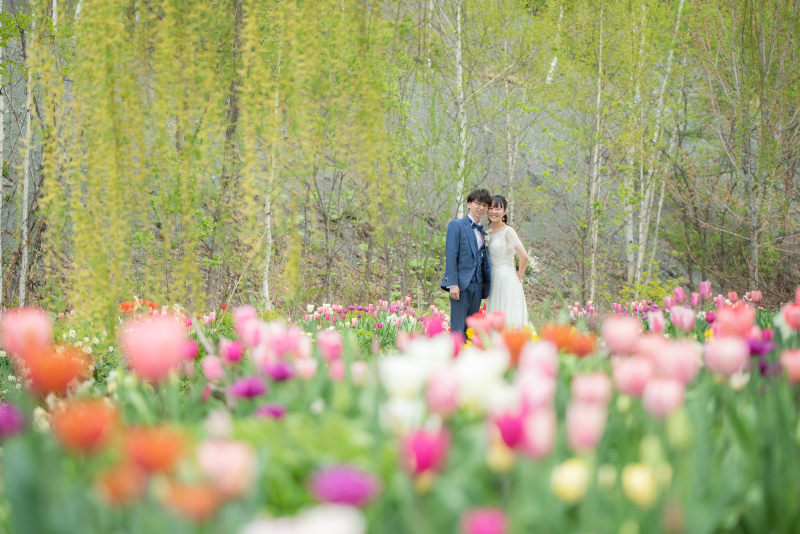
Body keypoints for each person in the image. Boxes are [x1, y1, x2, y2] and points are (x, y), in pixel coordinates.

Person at [441, 189, 493, 335]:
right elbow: (451, 256)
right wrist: (453, 284)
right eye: (478, 203)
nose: (481, 208)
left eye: (484, 205)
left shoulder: (484, 233)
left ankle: (470, 350)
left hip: (478, 285)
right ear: (469, 204)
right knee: (458, 328)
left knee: (472, 329)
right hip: (461, 285)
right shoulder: (456, 225)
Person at [484, 195, 530, 329]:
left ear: (504, 212)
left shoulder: (508, 231)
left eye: (497, 208)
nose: (493, 211)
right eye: (491, 208)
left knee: (507, 315)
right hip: (492, 279)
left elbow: (524, 257)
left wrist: (519, 276)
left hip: (507, 278)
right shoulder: (486, 234)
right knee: (494, 316)